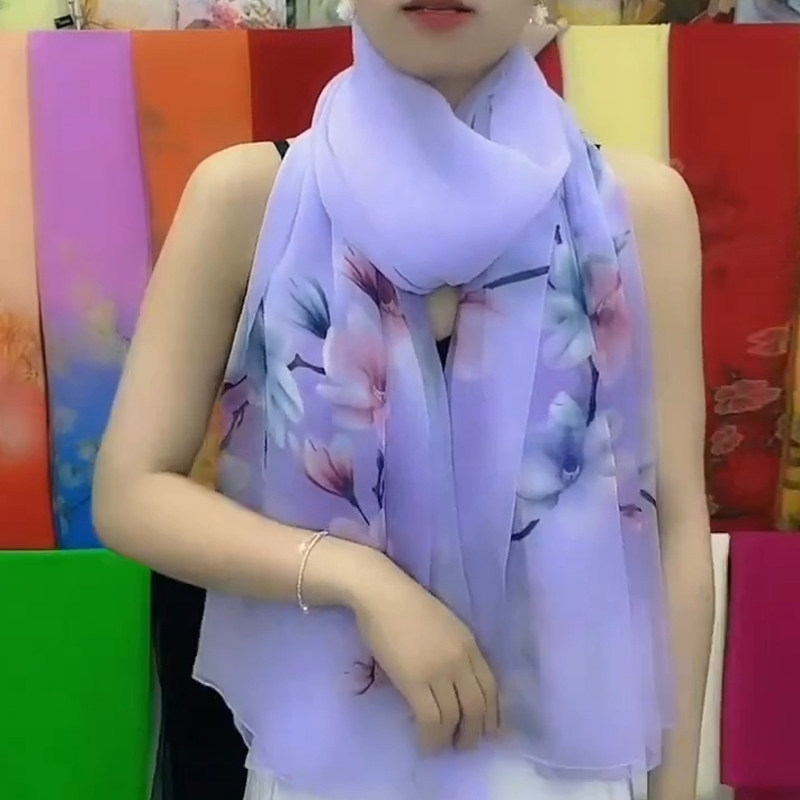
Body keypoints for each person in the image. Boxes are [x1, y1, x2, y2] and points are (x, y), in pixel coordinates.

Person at [93, 2, 713, 800]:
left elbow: (676, 528)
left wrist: (676, 790)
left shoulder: (637, 211)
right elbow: (130, 491)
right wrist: (359, 579)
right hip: (325, 769)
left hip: (572, 770)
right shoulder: (251, 198)